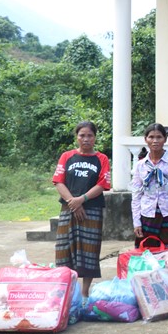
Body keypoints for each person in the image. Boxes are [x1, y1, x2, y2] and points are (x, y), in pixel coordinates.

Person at [52, 121, 111, 300]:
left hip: (91, 209)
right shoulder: (67, 156)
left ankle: (84, 292)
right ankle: (68, 291)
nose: (85, 139)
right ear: (76, 137)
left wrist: (82, 200)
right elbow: (58, 181)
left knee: (89, 249)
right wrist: (72, 202)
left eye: (89, 135)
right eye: (82, 135)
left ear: (95, 137)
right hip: (68, 208)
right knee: (64, 248)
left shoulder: (101, 159)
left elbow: (103, 184)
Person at [131, 123, 168, 248]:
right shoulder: (140, 165)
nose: (155, 141)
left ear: (165, 139)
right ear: (145, 139)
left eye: (159, 137)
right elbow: (136, 195)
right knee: (147, 256)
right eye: (151, 137)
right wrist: (137, 222)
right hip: (147, 215)